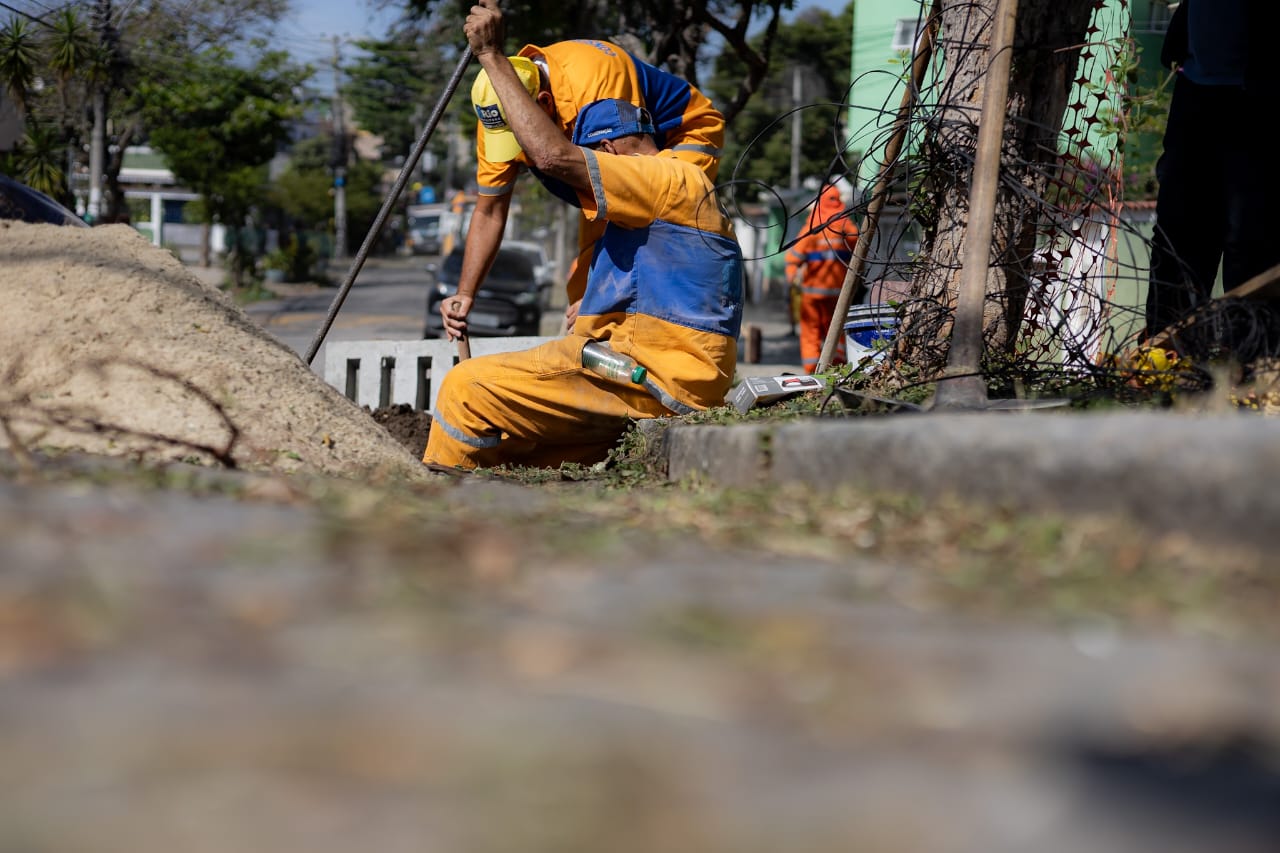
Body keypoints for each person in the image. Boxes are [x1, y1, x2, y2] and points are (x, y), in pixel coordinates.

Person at [422, 0, 743, 472]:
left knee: (466, 388)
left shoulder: (659, 171)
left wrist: (489, 52)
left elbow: (556, 158)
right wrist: (465, 294)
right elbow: (492, 206)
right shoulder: (656, 189)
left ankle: (430, 506)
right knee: (525, 453)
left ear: (608, 148)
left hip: (652, 377)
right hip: (667, 375)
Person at [445, 34, 724, 337]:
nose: (520, 151)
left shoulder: (598, 82)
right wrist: (466, 292)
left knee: (645, 242)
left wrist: (602, 296)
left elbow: (628, 191)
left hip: (682, 138)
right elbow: (490, 211)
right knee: (580, 299)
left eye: (521, 138)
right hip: (604, 166)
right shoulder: (497, 107)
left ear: (544, 102)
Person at [1145, 0, 1279, 337]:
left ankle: (1253, 366)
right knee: (1179, 235)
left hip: (1261, 96)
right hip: (1196, 89)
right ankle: (1168, 357)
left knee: (1253, 242)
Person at [784, 184, 858, 372]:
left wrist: (792, 280)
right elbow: (859, 251)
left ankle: (811, 371)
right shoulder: (845, 225)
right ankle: (838, 367)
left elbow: (793, 258)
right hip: (839, 294)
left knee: (811, 332)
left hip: (811, 293)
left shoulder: (813, 226)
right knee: (837, 331)